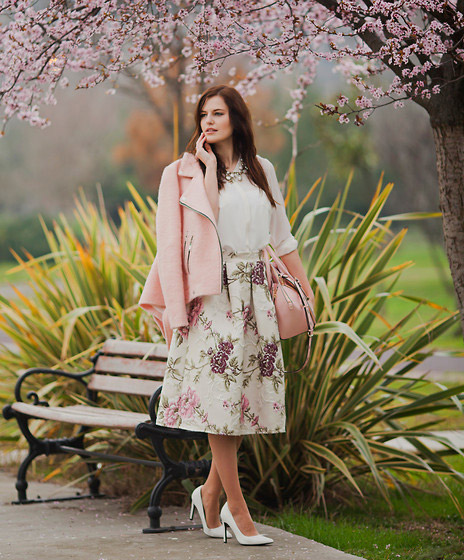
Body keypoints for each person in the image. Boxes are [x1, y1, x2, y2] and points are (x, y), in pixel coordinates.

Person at [139, 84, 314, 546]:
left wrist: (307, 289)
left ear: (236, 117)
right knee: (221, 401)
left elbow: (283, 235)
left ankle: (209, 494)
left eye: (218, 113)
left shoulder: (264, 171)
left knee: (240, 398)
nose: (208, 121)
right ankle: (239, 511)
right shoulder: (185, 174)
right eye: (203, 114)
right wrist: (211, 169)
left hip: (258, 292)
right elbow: (193, 236)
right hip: (213, 295)